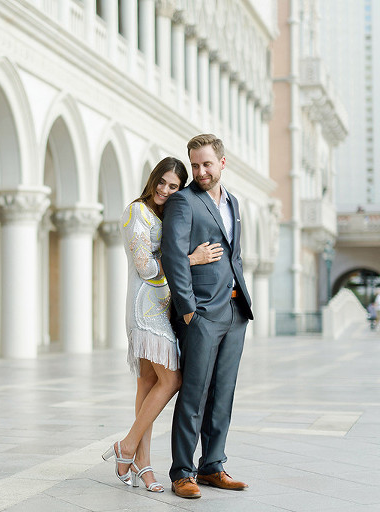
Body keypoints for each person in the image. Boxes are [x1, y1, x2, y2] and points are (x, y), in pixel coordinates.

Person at [102, 157, 223, 493]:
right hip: (146, 309)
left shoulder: (163, 214)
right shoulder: (135, 211)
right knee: (172, 380)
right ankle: (126, 446)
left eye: (173, 186)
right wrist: (191, 259)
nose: (166, 190)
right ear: (153, 178)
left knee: (147, 386)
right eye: (162, 182)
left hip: (163, 307)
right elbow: (146, 268)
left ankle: (143, 465)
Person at [161, 134, 254, 499]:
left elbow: (236, 255)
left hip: (235, 311)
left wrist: (242, 297)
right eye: (195, 164)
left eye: (206, 164)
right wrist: (187, 312)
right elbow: (172, 257)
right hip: (200, 313)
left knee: (223, 393)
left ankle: (213, 466)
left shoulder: (233, 202)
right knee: (194, 393)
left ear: (222, 163)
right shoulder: (183, 201)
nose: (200, 171)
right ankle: (183, 472)